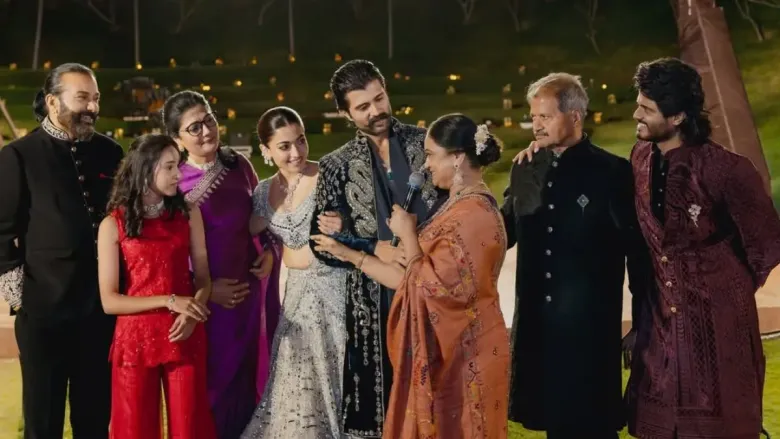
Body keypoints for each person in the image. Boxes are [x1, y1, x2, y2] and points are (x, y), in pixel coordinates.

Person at [312, 114, 510, 439]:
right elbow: (407, 279)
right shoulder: (455, 206)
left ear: (457, 158)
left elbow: (434, 289)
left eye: (431, 155)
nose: (426, 165)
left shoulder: (474, 215)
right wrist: (347, 253)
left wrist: (407, 235)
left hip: (466, 359)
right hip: (451, 355)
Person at [624, 57, 780, 439]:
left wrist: (722, 289)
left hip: (719, 327)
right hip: (659, 323)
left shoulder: (728, 170)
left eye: (646, 109)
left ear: (677, 116)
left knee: (720, 424)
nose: (636, 115)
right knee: (657, 423)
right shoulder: (639, 159)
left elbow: (766, 243)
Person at [506, 72, 651, 438]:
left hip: (588, 336)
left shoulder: (612, 173)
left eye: (545, 116)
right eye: (533, 117)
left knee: (592, 427)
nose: (536, 125)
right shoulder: (525, 167)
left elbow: (638, 255)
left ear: (574, 116)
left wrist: (640, 324)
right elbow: (499, 233)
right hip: (538, 332)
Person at [309, 59, 446, 437]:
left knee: (438, 399)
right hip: (371, 305)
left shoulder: (427, 143)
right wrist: (372, 246)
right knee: (381, 406)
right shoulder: (335, 166)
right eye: (363, 107)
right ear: (345, 113)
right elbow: (320, 244)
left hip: (433, 289)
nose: (376, 111)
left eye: (379, 99)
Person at [0, 63, 123, 438]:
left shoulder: (110, 152)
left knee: (94, 420)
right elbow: (2, 232)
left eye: (96, 98)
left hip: (100, 313)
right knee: (43, 421)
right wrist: (22, 297)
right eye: (82, 98)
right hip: (44, 314)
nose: (92, 107)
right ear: (53, 101)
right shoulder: (19, 155)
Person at [161, 90, 280, 439]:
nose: (206, 131)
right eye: (194, 128)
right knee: (211, 387)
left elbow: (261, 217)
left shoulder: (238, 166)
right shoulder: (174, 182)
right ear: (177, 139)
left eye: (209, 120)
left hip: (248, 296)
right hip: (206, 305)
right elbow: (169, 250)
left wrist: (269, 251)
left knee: (249, 379)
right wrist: (208, 291)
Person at [97, 134, 217, 439]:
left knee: (190, 427)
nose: (178, 174)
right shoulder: (113, 224)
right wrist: (169, 300)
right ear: (145, 169)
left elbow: (203, 278)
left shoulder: (188, 212)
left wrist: (192, 313)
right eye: (169, 167)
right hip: (135, 340)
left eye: (178, 165)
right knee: (134, 430)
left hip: (184, 331)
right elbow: (109, 301)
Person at [240, 106, 347, 439]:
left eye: (300, 140)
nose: (296, 152)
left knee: (339, 377)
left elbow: (363, 226)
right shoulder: (263, 192)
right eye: (284, 146)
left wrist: (344, 225)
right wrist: (270, 251)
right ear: (266, 150)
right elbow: (247, 230)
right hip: (296, 299)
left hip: (336, 292)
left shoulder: (329, 176)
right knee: (295, 383)